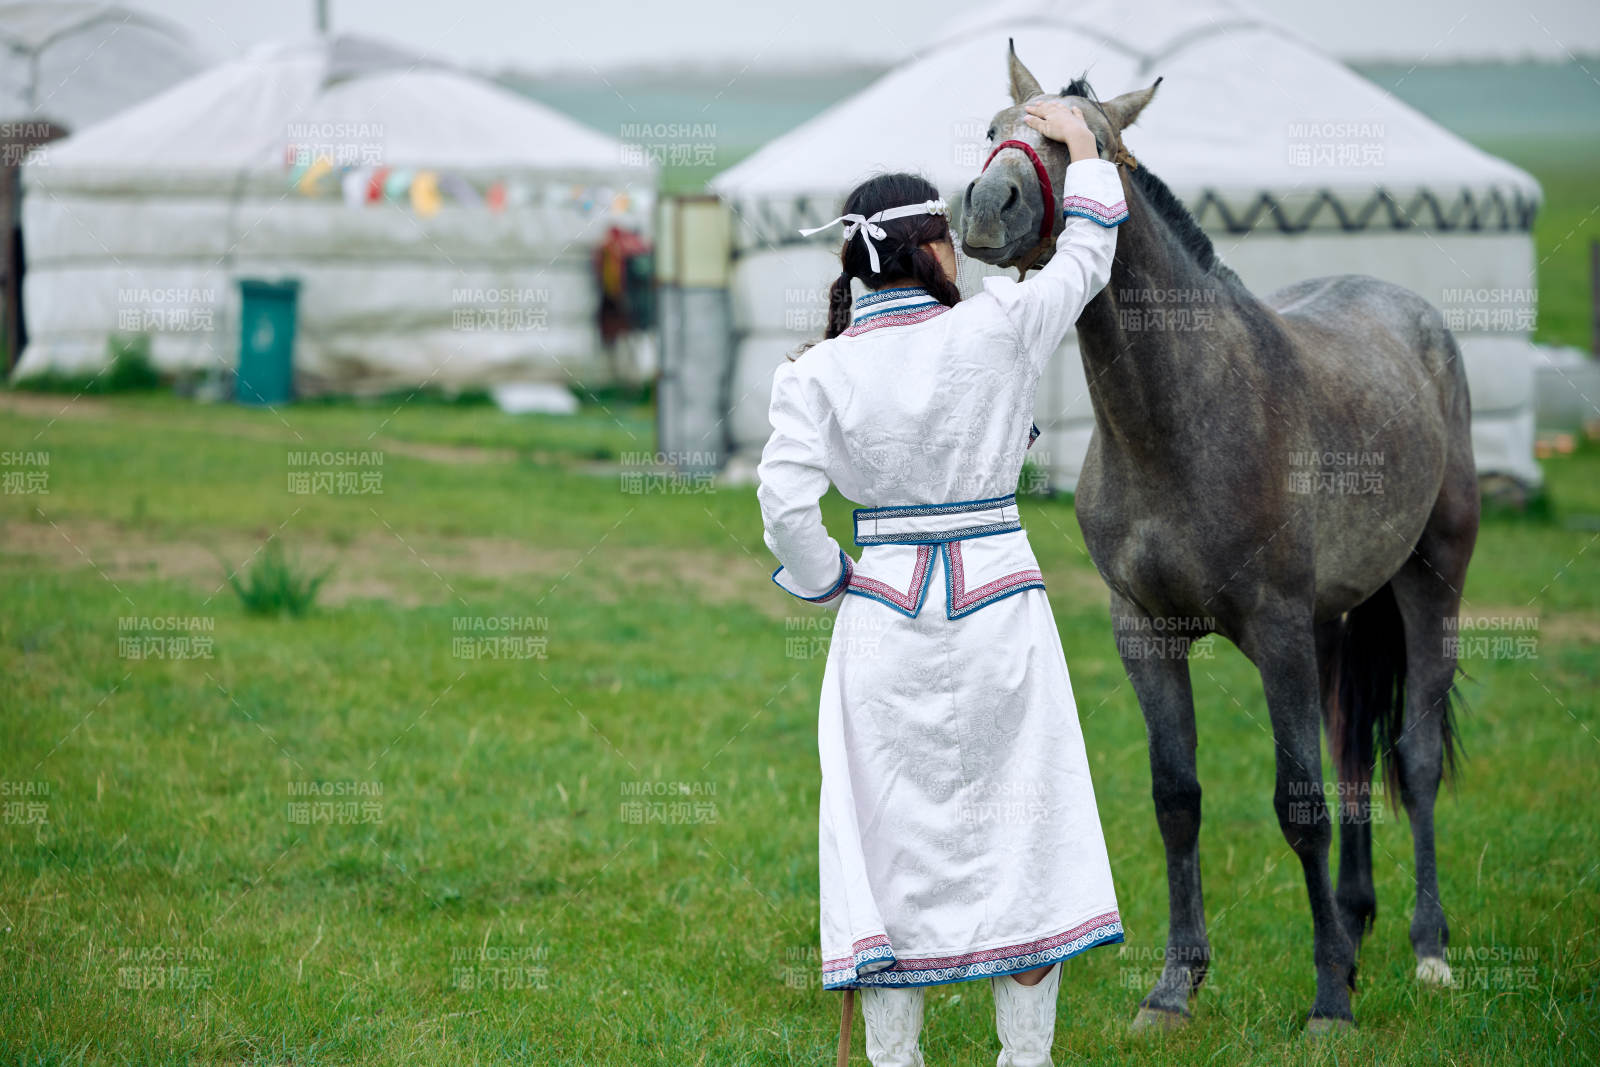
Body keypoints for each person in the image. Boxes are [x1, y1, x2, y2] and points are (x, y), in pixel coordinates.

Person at [755, 101, 1127, 1066]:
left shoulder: (816, 374)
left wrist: (835, 576)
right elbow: (1087, 260)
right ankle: (1025, 1057)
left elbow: (786, 507)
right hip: (1003, 612)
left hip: (883, 622)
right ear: (935, 253)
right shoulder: (1001, 325)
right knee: (1027, 828)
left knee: (888, 840)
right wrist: (1085, 152)